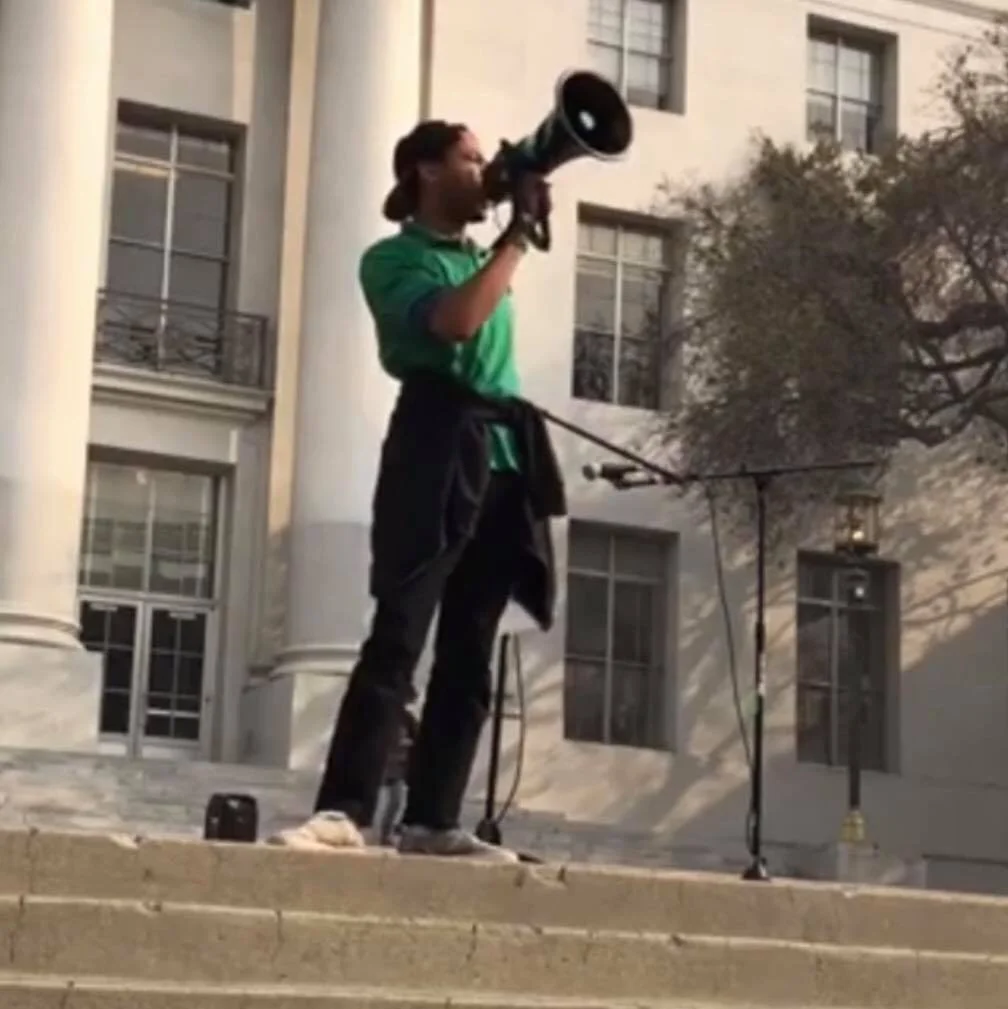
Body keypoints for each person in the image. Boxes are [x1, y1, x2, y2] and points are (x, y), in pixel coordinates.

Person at [271, 121, 565, 862]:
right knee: (399, 635)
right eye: (471, 159)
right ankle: (343, 809)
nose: (484, 169)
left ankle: (433, 819)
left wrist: (513, 226)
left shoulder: (477, 258)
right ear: (427, 171)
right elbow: (457, 322)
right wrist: (518, 236)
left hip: (502, 455)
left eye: (486, 159)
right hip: (435, 443)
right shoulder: (393, 259)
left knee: (471, 652)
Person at [375, 705, 418, 846]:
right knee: (388, 801)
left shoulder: (407, 718)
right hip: (383, 765)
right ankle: (383, 833)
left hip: (398, 767)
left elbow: (417, 738)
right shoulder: (385, 716)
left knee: (396, 801)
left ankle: (386, 834)